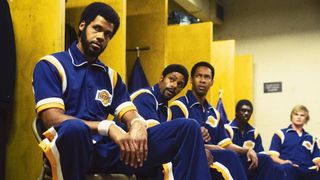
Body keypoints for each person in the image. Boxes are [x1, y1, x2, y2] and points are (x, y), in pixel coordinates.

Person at [32, 2, 211, 179]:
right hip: (72, 149)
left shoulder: (111, 77)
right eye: (96, 28)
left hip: (105, 151)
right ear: (82, 25)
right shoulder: (51, 65)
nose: (101, 36)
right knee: (74, 129)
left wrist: (138, 124)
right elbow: (51, 119)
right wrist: (107, 126)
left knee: (188, 128)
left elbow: (130, 113)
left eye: (107, 34)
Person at [130, 64, 226, 179]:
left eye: (180, 85)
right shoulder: (145, 96)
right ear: (161, 78)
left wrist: (200, 149)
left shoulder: (167, 111)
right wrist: (197, 148)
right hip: (125, 152)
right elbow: (155, 138)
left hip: (146, 155)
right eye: (172, 79)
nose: (174, 86)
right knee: (191, 126)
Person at [170, 61, 257, 180]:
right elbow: (177, 142)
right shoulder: (179, 105)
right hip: (191, 157)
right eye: (198, 76)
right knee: (229, 156)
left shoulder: (215, 113)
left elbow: (225, 144)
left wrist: (247, 150)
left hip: (216, 155)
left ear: (211, 82)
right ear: (191, 79)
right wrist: (209, 148)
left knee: (262, 159)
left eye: (207, 77)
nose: (202, 80)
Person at [225, 99, 286, 179]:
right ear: (236, 112)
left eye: (249, 111)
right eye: (243, 110)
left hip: (251, 165)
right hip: (234, 163)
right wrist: (247, 151)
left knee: (279, 169)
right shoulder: (227, 128)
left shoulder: (254, 132)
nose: (246, 113)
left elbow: (261, 153)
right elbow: (225, 148)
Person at [269, 105, 320, 180]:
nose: (299, 117)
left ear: (306, 119)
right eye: (296, 114)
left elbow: (317, 158)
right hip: (289, 169)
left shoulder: (311, 138)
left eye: (302, 115)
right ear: (291, 116)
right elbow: (272, 156)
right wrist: (283, 162)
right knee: (286, 169)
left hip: (307, 171)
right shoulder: (280, 134)